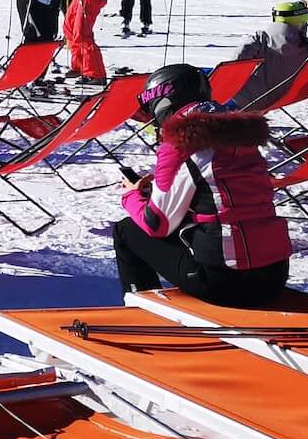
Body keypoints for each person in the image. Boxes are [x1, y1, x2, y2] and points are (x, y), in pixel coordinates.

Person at [114, 64, 291, 304]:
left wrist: (131, 196)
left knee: (127, 231)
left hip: (225, 281)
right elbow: (217, 192)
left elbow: (157, 224)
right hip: (273, 274)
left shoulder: (182, 143)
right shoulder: (239, 133)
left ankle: (140, 312)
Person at [230, 0, 308, 109]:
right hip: (279, 97)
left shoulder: (262, 40)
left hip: (245, 99)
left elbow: (236, 63)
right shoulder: (305, 48)